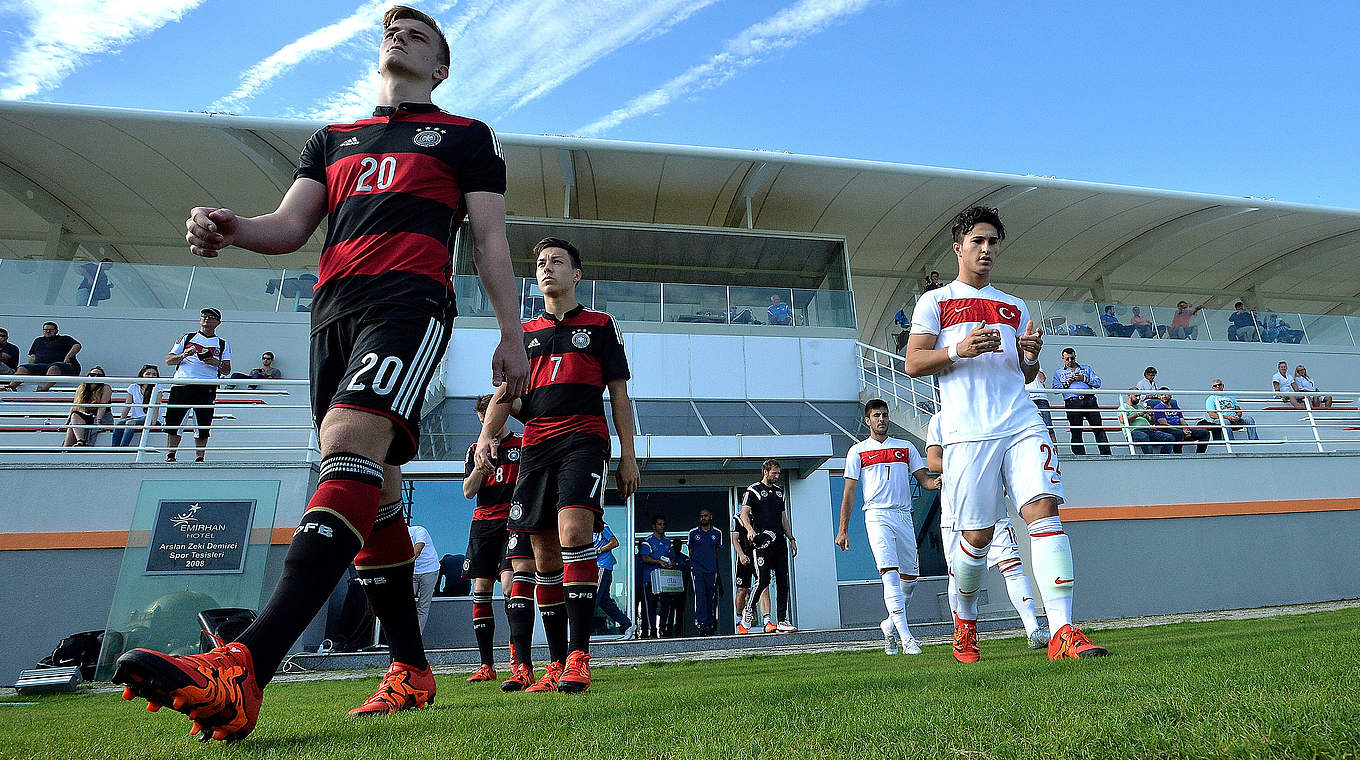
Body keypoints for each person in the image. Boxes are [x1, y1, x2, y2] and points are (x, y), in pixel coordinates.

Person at [114, 6, 531, 741]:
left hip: (409, 301)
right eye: (391, 29)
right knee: (378, 495)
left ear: (440, 68)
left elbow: (491, 241)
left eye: (420, 33)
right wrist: (231, 226)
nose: (399, 34)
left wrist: (511, 335)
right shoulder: (332, 139)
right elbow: (287, 226)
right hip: (331, 314)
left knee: (346, 444)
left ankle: (245, 668)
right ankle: (410, 668)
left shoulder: (465, 136)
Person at [904, 205, 1107, 662]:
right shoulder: (934, 301)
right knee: (976, 537)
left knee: (1044, 510)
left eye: (993, 241)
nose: (986, 249)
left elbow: (1024, 372)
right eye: (977, 241)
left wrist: (1032, 356)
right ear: (958, 247)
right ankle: (966, 621)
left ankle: (1062, 631)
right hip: (966, 429)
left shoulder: (1014, 306)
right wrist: (957, 348)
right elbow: (914, 363)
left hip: (1020, 418)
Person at [475, 236, 639, 693]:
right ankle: (554, 665)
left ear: (577, 274)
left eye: (557, 262)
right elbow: (505, 397)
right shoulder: (523, 334)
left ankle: (581, 657)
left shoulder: (602, 325)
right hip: (535, 446)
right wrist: (487, 436)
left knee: (574, 535)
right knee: (544, 556)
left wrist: (628, 455)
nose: (547, 268)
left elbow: (620, 395)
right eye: (541, 263)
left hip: (584, 439)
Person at [926, 413, 1050, 651]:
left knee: (1012, 565)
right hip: (955, 510)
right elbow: (933, 461)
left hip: (993, 507)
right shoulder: (941, 419)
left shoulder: (990, 413)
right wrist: (974, 468)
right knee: (958, 575)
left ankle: (1033, 629)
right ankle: (962, 634)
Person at [836, 398, 939, 655]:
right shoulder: (857, 451)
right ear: (868, 420)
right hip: (876, 516)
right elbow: (849, 491)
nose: (881, 419)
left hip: (904, 516)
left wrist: (938, 483)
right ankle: (907, 639)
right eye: (876, 415)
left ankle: (889, 625)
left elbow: (924, 480)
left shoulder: (905, 448)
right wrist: (843, 529)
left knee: (910, 582)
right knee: (889, 574)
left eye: (884, 415)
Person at [460, 394, 525, 686]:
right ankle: (487, 664)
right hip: (482, 526)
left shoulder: (522, 444)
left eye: (490, 418)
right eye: (483, 421)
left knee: (511, 585)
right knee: (481, 588)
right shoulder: (475, 449)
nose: (488, 425)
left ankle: (517, 658)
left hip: (512, 523)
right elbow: (467, 492)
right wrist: (479, 467)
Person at [162, 308, 232, 463]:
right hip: (182, 383)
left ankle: (200, 457)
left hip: (207, 385)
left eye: (211, 317)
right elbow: (168, 360)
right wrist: (184, 355)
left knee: (203, 422)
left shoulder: (222, 344)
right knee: (175, 420)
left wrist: (216, 362)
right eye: (204, 316)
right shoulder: (187, 337)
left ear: (218, 322)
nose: (206, 319)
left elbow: (227, 370)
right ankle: (170, 455)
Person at [740, 460, 798, 634]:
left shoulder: (780, 492)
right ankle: (748, 611)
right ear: (765, 471)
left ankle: (782, 620)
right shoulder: (753, 490)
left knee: (783, 580)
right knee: (763, 579)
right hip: (762, 541)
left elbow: (783, 518)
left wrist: (791, 538)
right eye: (774, 473)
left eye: (779, 473)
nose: (777, 476)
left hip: (779, 542)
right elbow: (744, 513)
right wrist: (750, 529)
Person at [1052, 348, 1111, 456]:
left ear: (1075, 357)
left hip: (1089, 400)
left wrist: (1084, 378)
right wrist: (1067, 382)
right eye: (1067, 359)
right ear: (1063, 359)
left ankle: (1106, 454)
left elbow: (1098, 383)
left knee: (1098, 428)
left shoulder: (1086, 368)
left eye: (1072, 358)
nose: (1070, 361)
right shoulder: (1059, 373)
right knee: (1076, 431)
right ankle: (1080, 456)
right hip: (1072, 402)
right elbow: (1055, 389)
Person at [6, 321, 81, 391]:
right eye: (46, 329)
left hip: (63, 366)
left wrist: (67, 357)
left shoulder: (64, 339)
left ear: (56, 331)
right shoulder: (38, 340)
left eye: (51, 329)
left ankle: (44, 389)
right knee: (22, 368)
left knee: (54, 367)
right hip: (42, 366)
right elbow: (33, 355)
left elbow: (77, 345)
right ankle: (11, 387)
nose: (48, 331)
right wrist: (31, 367)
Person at [592, 521, 635, 638]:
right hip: (598, 566)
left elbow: (615, 542)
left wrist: (598, 550)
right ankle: (626, 625)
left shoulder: (602, 527)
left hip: (602, 566)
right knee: (604, 600)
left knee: (593, 598)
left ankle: (582, 632)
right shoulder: (588, 528)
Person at [637, 515, 676, 638]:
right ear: (654, 526)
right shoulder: (647, 541)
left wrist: (671, 563)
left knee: (665, 605)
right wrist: (659, 562)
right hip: (650, 579)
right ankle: (651, 630)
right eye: (659, 524)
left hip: (664, 580)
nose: (662, 526)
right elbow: (644, 557)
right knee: (650, 606)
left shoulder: (668, 542)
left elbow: (673, 557)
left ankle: (662, 629)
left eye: (664, 524)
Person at [731, 511, 769, 634]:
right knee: (742, 590)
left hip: (759, 556)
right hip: (744, 557)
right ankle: (739, 620)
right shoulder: (737, 518)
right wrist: (741, 555)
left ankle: (767, 621)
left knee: (764, 586)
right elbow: (735, 540)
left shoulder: (761, 516)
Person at [687, 508, 723, 636]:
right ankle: (701, 624)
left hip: (711, 569)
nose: (703, 518)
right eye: (701, 516)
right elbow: (691, 551)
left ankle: (711, 624)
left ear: (710, 517)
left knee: (711, 597)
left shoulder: (717, 533)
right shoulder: (693, 533)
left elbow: (716, 552)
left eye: (706, 516)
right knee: (700, 597)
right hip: (697, 570)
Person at [112, 365, 163, 448]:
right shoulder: (133, 387)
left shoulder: (158, 387)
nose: (151, 376)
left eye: (154, 374)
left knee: (130, 423)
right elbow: (127, 406)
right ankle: (114, 448)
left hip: (152, 418)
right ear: (142, 375)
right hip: (136, 418)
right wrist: (122, 419)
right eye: (148, 374)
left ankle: (123, 448)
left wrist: (153, 423)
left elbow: (156, 406)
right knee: (119, 423)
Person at [1148, 389, 1211, 454]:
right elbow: (1164, 424)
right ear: (1158, 397)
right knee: (1179, 433)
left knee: (1205, 433)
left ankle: (1199, 454)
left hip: (1180, 430)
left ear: (1170, 395)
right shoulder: (1158, 408)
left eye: (1166, 394)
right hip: (1167, 430)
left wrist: (1186, 429)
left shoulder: (1175, 408)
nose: (1164, 396)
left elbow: (1182, 420)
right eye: (1161, 395)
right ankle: (1178, 454)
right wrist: (1181, 430)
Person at [63, 366, 111, 448]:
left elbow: (102, 406)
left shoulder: (105, 388)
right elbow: (75, 406)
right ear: (88, 376)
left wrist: (98, 421)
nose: (95, 377)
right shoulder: (82, 388)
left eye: (99, 376)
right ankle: (67, 447)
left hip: (102, 417)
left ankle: (78, 442)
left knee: (74, 417)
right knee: (72, 421)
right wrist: (66, 423)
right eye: (92, 375)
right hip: (87, 416)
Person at [1119, 390, 1173, 454]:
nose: (1138, 398)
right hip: (1133, 432)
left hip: (1148, 430)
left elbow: (1152, 422)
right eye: (1136, 396)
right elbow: (1122, 420)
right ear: (1129, 395)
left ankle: (1163, 458)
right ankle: (1150, 459)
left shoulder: (1140, 407)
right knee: (1144, 437)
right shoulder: (1123, 407)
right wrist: (1137, 414)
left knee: (1170, 438)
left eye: (1139, 396)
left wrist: (1151, 414)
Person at [407, 524, 439, 633]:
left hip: (429, 570)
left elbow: (418, 550)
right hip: (413, 571)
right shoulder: (396, 540)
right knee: (406, 603)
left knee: (423, 606)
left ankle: (416, 639)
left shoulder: (418, 530)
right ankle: (405, 636)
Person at [1026, 368, 1057, 443]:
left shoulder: (1037, 366)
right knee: (1027, 428)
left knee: (1048, 426)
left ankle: (1055, 453)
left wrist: (1033, 365)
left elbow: (1042, 379)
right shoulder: (1018, 366)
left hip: (1041, 398)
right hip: (1027, 399)